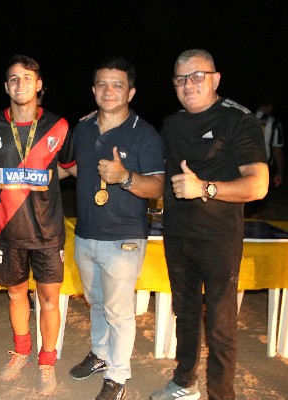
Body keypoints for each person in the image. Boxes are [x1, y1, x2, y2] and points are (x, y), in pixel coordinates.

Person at [149, 49, 268, 400]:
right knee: (184, 314)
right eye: (180, 79)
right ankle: (184, 382)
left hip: (219, 238)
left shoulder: (238, 119)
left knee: (220, 323)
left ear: (215, 79)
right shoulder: (172, 124)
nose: (189, 85)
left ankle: (221, 394)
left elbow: (258, 185)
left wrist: (204, 188)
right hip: (177, 235)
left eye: (197, 76)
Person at [0, 55, 75, 396]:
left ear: (39, 84)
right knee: (16, 295)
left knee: (49, 300)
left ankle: (47, 361)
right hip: (7, 230)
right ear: (6, 86)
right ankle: (22, 351)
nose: (20, 84)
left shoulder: (59, 126)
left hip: (47, 231)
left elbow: (71, 168)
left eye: (27, 78)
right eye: (13, 79)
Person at [65, 56, 164, 400]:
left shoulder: (145, 134)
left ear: (131, 92)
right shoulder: (83, 129)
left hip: (124, 238)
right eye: (102, 84)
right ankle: (99, 354)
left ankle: (118, 376)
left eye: (117, 85)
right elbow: (76, 169)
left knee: (118, 313)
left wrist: (124, 178)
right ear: (94, 90)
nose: (109, 91)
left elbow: (157, 187)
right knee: (95, 303)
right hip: (86, 233)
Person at [245, 95, 285, 218]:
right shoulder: (274, 123)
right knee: (257, 203)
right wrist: (279, 171)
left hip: (241, 165)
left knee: (243, 201)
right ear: (270, 106)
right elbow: (277, 150)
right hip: (263, 167)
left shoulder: (243, 117)